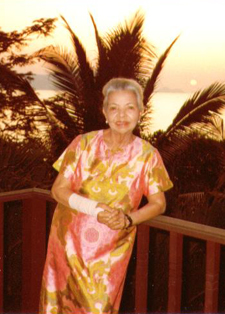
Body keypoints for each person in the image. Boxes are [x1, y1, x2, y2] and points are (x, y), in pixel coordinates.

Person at [39, 77, 173, 314]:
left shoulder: (148, 156)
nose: (122, 115)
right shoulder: (82, 145)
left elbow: (158, 203)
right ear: (104, 112)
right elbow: (58, 189)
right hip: (67, 247)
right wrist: (96, 208)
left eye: (129, 108)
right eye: (114, 108)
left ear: (140, 112)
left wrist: (128, 219)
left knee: (99, 308)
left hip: (109, 255)